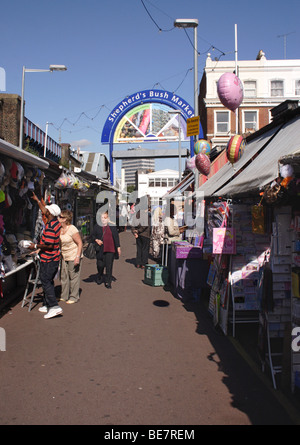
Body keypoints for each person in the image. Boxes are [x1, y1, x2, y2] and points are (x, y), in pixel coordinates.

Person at [28, 202, 63, 319]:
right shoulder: (56, 223)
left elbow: (48, 245)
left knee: (46, 281)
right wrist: (37, 200)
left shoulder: (50, 227)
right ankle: (47, 303)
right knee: (48, 280)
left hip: (49, 259)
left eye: (46, 211)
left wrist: (35, 246)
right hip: (53, 258)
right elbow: (44, 210)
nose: (44, 212)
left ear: (49, 213)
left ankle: (54, 306)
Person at [92, 210, 121, 289]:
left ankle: (108, 281)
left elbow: (116, 237)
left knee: (109, 265)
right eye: (102, 217)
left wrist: (118, 247)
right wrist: (96, 240)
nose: (103, 219)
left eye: (105, 217)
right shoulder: (97, 226)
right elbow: (92, 236)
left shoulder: (112, 226)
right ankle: (100, 274)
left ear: (108, 218)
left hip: (110, 249)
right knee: (100, 264)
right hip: (101, 249)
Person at [59, 209, 83, 304]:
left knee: (73, 276)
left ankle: (74, 296)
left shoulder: (72, 229)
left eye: (60, 217)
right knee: (64, 276)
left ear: (65, 219)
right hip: (64, 255)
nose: (58, 218)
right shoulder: (60, 229)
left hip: (73, 254)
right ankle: (64, 295)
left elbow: (80, 242)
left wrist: (77, 256)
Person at [131, 199, 151, 269]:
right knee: (145, 249)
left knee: (139, 249)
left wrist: (135, 232)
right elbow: (145, 225)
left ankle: (138, 263)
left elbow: (132, 225)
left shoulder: (136, 215)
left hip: (138, 235)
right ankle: (143, 263)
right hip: (145, 234)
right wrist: (138, 231)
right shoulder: (144, 214)